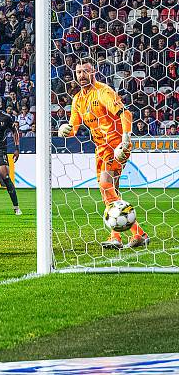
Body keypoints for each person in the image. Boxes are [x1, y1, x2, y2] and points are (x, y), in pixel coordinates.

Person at [58, 59, 148, 249]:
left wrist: (125, 140)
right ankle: (135, 234)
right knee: (112, 192)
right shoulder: (77, 100)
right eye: (78, 72)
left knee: (105, 185)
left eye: (85, 71)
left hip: (115, 145)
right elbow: (73, 128)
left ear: (94, 72)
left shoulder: (103, 92)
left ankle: (121, 236)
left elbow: (126, 114)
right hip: (100, 147)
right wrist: (64, 129)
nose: (82, 75)